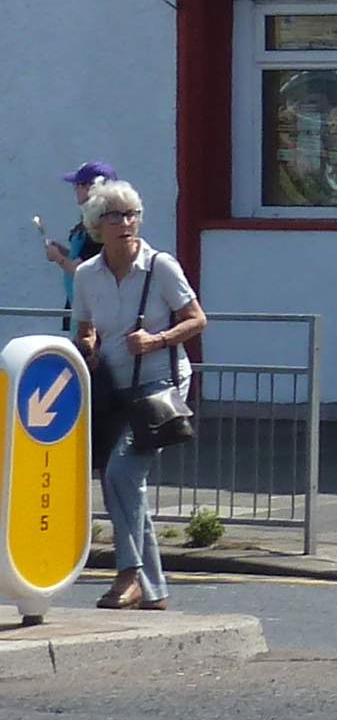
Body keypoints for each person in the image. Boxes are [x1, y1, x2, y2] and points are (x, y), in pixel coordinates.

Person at [67, 180, 203, 612]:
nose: (126, 223)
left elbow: (197, 319)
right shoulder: (87, 275)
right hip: (114, 390)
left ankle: (129, 575)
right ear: (95, 227)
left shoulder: (160, 266)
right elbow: (84, 326)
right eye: (114, 216)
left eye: (131, 215)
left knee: (120, 475)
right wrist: (87, 346)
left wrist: (157, 340)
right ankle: (152, 587)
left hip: (161, 385)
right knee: (126, 481)